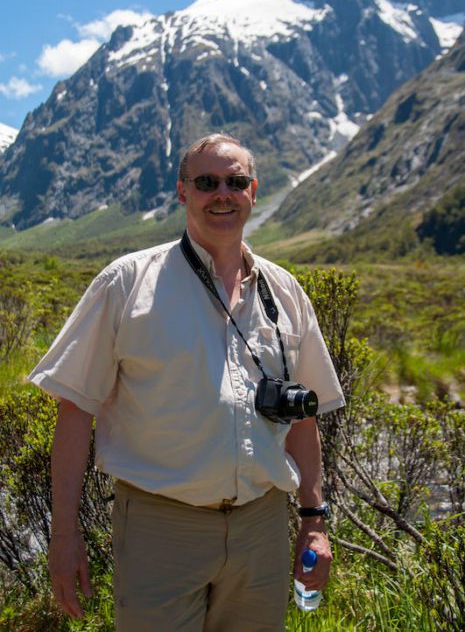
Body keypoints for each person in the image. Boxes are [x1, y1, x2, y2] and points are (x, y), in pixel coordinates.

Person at [28, 133, 345, 632]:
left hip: (262, 530)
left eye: (236, 182)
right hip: (160, 530)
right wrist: (64, 535)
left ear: (254, 191)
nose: (223, 193)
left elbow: (301, 419)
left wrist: (313, 521)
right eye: (206, 182)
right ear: (182, 192)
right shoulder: (126, 282)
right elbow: (74, 412)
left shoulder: (284, 290)